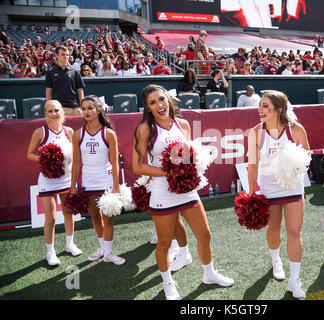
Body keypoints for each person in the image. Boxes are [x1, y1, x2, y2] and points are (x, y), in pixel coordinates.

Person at [132, 85, 234, 300]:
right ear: (147, 107)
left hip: (186, 190)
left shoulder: (184, 124)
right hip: (162, 192)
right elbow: (139, 166)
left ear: (168, 100)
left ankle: (209, 274)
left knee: (205, 234)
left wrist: (188, 169)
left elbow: (186, 157)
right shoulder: (145, 129)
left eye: (161, 99)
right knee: (164, 243)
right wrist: (170, 172)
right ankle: (168, 284)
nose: (159, 105)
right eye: (152, 102)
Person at [247, 90, 310, 299]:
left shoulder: (296, 130)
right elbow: (253, 165)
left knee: (294, 231)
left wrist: (293, 165)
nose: (260, 109)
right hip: (269, 188)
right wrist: (251, 192)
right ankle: (276, 260)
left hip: (292, 186)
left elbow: (306, 156)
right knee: (274, 230)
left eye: (266, 106)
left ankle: (295, 280)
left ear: (279, 109)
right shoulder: (255, 132)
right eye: (260, 105)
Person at [70, 95, 126, 265]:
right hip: (88, 182)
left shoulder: (109, 133)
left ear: (99, 109)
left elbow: (115, 162)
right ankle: (102, 248)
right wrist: (73, 186)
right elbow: (77, 162)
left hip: (105, 180)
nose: (86, 111)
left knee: (108, 218)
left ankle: (109, 253)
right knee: (95, 217)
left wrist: (116, 186)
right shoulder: (78, 134)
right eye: (84, 108)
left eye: (90, 108)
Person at [26, 100, 82, 266]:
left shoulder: (69, 131)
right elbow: (29, 154)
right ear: (45, 114)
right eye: (50, 111)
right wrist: (47, 159)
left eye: (56, 110)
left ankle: (69, 244)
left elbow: (75, 154)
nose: (54, 113)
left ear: (62, 113)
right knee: (50, 218)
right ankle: (50, 252)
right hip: (47, 179)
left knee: (68, 212)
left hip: (67, 178)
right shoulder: (40, 132)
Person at [45, 46, 85, 116]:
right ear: (56, 55)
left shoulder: (75, 71)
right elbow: (48, 91)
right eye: (63, 54)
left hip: (75, 109)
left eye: (67, 54)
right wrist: (50, 108)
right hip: (59, 109)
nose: (65, 56)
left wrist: (82, 106)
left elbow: (80, 90)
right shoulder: (50, 72)